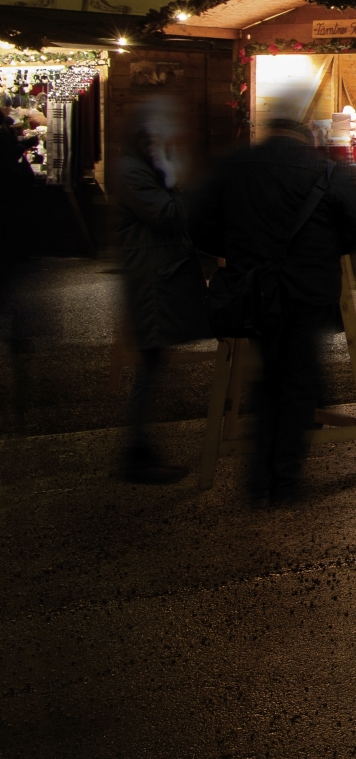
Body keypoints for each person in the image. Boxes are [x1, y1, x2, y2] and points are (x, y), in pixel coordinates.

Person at [191, 90, 356, 506]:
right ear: (307, 132)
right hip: (306, 291)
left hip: (252, 288)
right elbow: (355, 233)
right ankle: (284, 480)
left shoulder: (233, 166)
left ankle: (257, 480)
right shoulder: (328, 171)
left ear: (267, 128)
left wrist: (239, 251)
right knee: (299, 380)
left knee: (267, 377)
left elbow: (197, 224)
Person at [111, 100, 211, 483]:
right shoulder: (132, 171)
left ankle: (140, 449)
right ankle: (136, 453)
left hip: (157, 275)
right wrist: (184, 184)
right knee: (150, 363)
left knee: (154, 362)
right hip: (150, 279)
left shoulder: (141, 168)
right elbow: (169, 215)